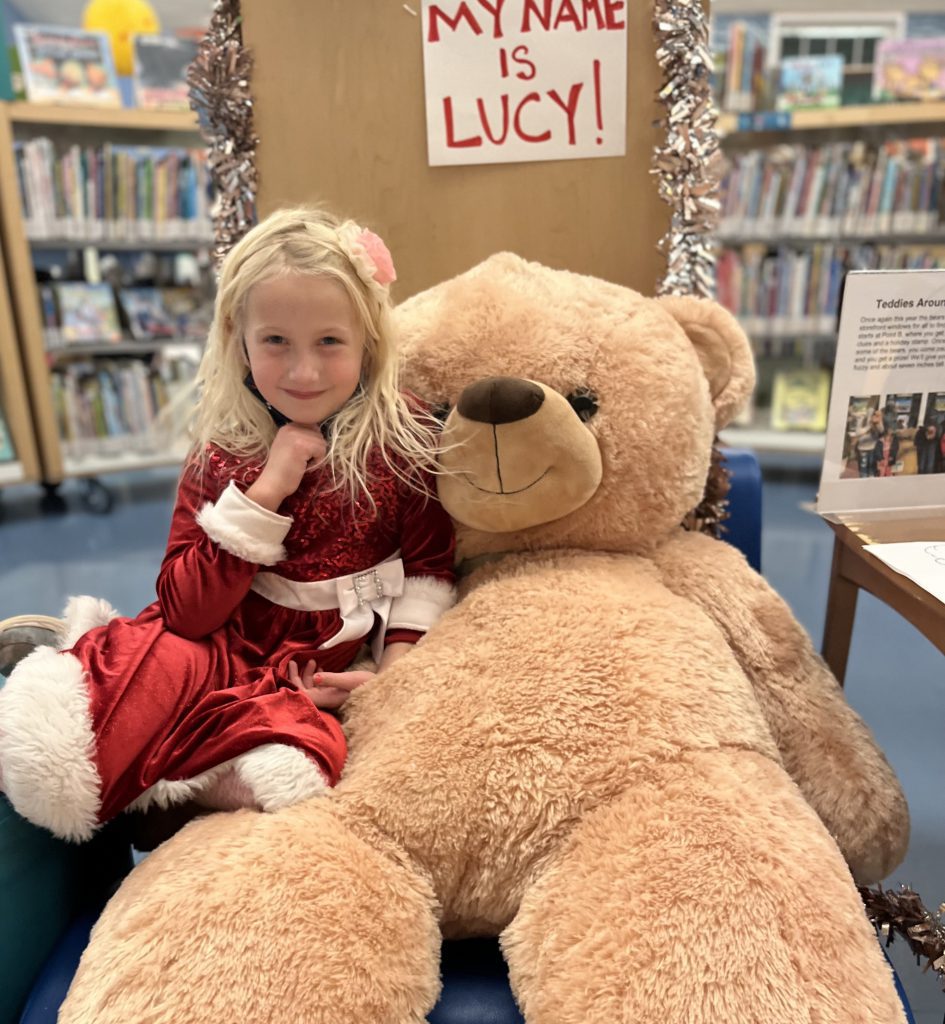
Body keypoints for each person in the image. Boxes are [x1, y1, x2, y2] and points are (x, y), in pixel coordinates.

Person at [0, 207, 456, 842]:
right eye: (275, 342)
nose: (304, 373)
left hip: (316, 668)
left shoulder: (406, 441)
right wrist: (269, 488)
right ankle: (66, 686)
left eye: (330, 342)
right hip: (220, 641)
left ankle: (179, 784)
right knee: (138, 670)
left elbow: (430, 570)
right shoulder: (222, 451)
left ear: (368, 343)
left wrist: (391, 673)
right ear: (238, 341)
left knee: (298, 757)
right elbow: (186, 612)